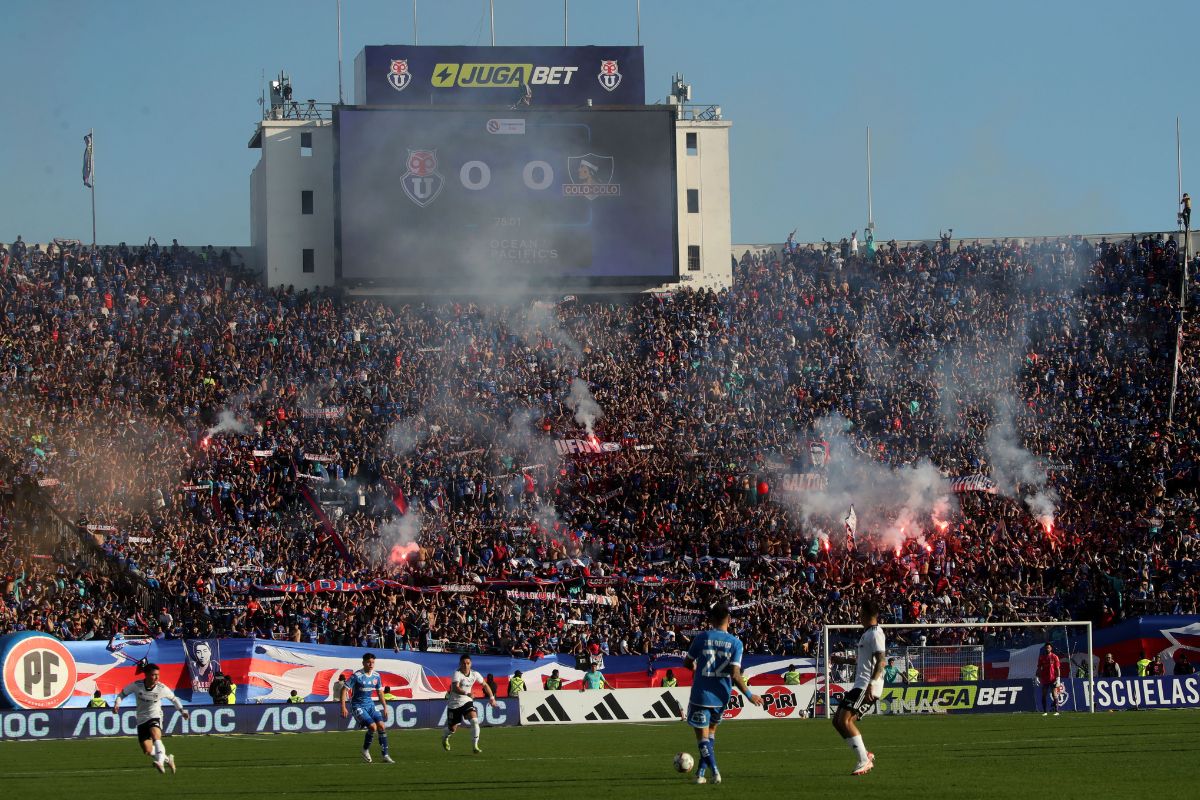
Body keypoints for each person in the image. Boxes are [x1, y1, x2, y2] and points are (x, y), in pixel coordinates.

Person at [682, 604, 763, 785]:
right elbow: (735, 674)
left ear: (711, 620)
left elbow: (687, 662)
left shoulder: (702, 637)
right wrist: (750, 695)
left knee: (702, 738)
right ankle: (700, 773)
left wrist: (694, 667)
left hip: (701, 694)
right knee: (710, 735)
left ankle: (715, 772)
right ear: (729, 620)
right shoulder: (736, 643)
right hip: (721, 696)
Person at [830, 598, 885, 777]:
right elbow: (865, 661)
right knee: (837, 721)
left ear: (865, 614)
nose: (858, 616)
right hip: (860, 684)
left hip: (865, 686)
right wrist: (843, 660)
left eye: (860, 612)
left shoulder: (876, 633)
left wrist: (872, 683)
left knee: (845, 720)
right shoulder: (867, 634)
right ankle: (865, 754)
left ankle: (864, 759)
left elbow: (881, 661)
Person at [114, 662, 188, 774]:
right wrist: (117, 704)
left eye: (158, 675)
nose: (157, 677)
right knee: (147, 750)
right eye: (154, 675)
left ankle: (160, 763)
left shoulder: (161, 688)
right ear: (147, 675)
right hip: (141, 719)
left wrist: (182, 711)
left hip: (155, 716)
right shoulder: (136, 685)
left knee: (156, 736)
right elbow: (122, 694)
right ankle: (168, 759)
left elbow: (174, 699)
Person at [340, 653, 393, 764]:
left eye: (373, 662)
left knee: (382, 726)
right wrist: (343, 707)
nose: (371, 664)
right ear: (363, 663)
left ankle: (385, 755)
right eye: (368, 662)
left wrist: (385, 707)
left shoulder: (376, 676)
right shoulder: (357, 676)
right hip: (358, 706)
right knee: (373, 727)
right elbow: (344, 690)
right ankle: (365, 750)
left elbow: (380, 692)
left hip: (370, 705)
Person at [443, 654, 497, 754]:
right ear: (460, 664)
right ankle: (445, 737)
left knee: (474, 721)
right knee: (452, 729)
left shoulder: (475, 674)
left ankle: (475, 746)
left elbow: (485, 685)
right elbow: (455, 688)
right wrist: (467, 693)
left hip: (467, 701)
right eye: (464, 663)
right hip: (454, 704)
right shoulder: (457, 673)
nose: (466, 665)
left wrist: (492, 698)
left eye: (468, 663)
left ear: (471, 664)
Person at [1037, 643, 1062, 716]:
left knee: (1054, 694)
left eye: (1049, 647)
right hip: (1044, 679)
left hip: (1053, 678)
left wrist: (1058, 678)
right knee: (1044, 694)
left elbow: (1057, 668)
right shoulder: (1041, 657)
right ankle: (1045, 712)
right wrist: (1037, 677)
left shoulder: (1054, 657)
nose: (1047, 649)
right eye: (1046, 648)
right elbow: (1039, 667)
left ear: (1051, 648)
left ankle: (1057, 711)